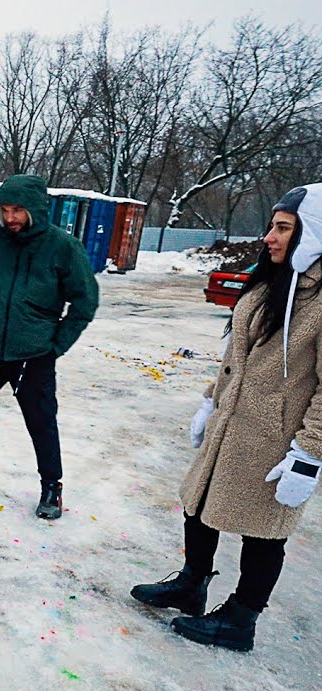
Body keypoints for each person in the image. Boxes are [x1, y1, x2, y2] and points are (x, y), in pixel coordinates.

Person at [130, 184, 321, 652]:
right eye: (272, 226)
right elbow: (236, 353)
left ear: (312, 235)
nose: (270, 238)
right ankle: (192, 584)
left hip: (276, 438)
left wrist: (309, 454)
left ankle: (240, 619)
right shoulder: (270, 279)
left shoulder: (319, 300)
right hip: (231, 423)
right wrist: (209, 399)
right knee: (198, 505)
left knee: (263, 533)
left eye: (283, 228)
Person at [0, 174, 99, 518]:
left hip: (35, 354)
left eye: (18, 210)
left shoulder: (63, 247)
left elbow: (85, 301)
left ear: (35, 209)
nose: (11, 217)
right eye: (5, 209)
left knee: (42, 421)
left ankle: (51, 487)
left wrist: (56, 345)